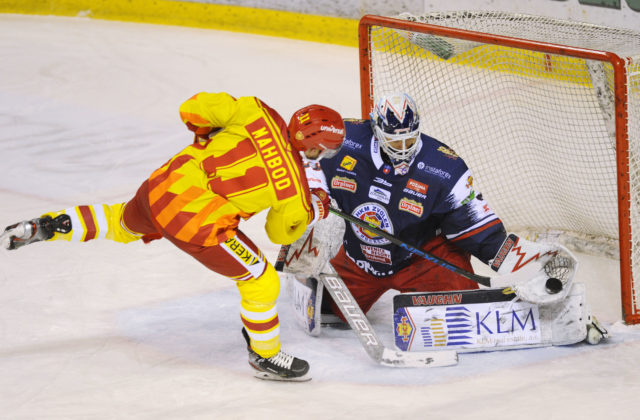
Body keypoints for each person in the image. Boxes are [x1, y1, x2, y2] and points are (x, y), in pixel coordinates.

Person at [0, 91, 345, 382]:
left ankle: (47, 225)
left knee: (119, 222)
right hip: (197, 225)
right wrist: (316, 207)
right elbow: (280, 231)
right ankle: (264, 356)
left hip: (162, 187)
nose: (323, 157)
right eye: (325, 150)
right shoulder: (294, 188)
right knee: (261, 280)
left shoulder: (255, 110)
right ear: (312, 145)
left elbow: (192, 108)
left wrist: (206, 137)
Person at [300, 92, 557, 320]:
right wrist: (311, 196)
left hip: (422, 259)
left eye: (409, 141)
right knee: (325, 310)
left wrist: (519, 262)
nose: (402, 148)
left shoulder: (444, 167)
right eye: (393, 141)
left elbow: (476, 226)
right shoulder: (346, 141)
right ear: (375, 130)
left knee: (467, 315)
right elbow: (305, 156)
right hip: (360, 256)